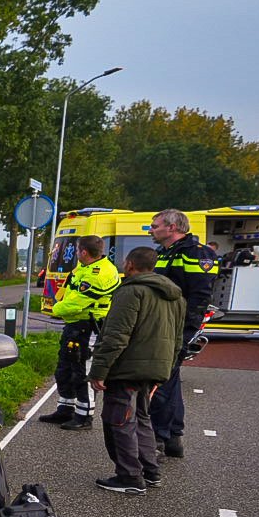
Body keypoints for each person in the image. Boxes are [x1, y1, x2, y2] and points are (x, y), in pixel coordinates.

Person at [86, 247, 185, 494]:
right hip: (155, 368)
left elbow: (115, 336)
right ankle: (150, 472)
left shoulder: (130, 292)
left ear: (129, 264)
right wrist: (165, 372)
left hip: (127, 368)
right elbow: (178, 339)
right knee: (141, 419)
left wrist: (98, 371)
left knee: (119, 421)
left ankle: (129, 476)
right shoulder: (176, 297)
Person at [146, 208, 217, 458]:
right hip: (163, 324)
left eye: (155, 226)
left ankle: (158, 438)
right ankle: (173, 436)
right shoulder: (164, 253)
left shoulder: (197, 254)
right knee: (171, 381)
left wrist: (187, 330)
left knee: (161, 380)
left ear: (172, 228)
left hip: (177, 327)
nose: (151, 230)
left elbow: (199, 296)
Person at [41, 235, 121, 430]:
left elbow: (77, 302)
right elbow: (70, 291)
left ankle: (84, 416)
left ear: (84, 252)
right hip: (75, 326)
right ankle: (65, 409)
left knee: (83, 371)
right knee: (65, 368)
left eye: (77, 250)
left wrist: (56, 309)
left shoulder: (99, 273)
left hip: (88, 327)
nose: (76, 253)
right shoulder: (84, 267)